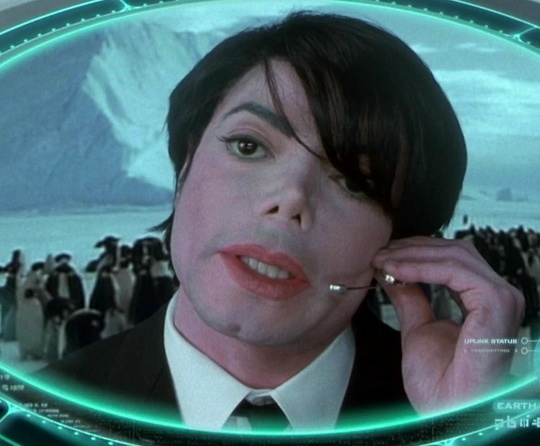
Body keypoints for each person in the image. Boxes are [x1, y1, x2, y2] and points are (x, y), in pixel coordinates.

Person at [37, 11, 524, 434]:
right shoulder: (42, 413)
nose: (290, 199)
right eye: (249, 146)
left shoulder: (446, 412)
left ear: (403, 239)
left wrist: (465, 426)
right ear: (186, 162)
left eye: (354, 182)